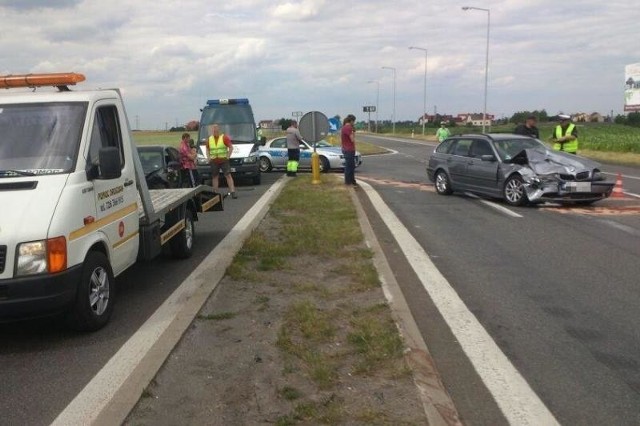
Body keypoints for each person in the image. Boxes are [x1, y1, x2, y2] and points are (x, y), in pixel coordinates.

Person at [206, 124, 237, 198]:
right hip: (214, 160)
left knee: (228, 175)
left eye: (216, 130)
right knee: (215, 177)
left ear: (218, 130)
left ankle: (232, 192)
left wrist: (228, 156)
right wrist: (208, 157)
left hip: (223, 160)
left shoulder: (224, 137)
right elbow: (207, 149)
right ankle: (215, 194)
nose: (215, 131)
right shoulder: (209, 139)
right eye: (213, 130)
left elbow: (231, 147)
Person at [341, 114, 357, 187]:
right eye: (354, 121)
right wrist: (353, 132)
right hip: (349, 149)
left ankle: (352, 181)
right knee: (349, 166)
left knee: (351, 165)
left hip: (346, 148)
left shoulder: (344, 127)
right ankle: (348, 182)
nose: (354, 123)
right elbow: (352, 139)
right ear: (351, 121)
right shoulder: (348, 128)